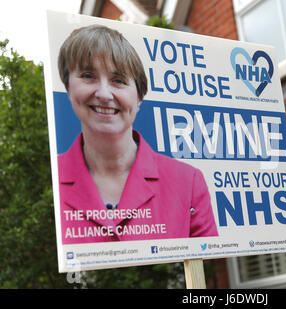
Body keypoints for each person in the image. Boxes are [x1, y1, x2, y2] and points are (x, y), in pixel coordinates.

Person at [57, 25, 218, 244]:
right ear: (68, 87)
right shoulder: (49, 178)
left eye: (119, 80)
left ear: (139, 98)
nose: (104, 94)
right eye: (88, 76)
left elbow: (207, 268)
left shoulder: (188, 182)